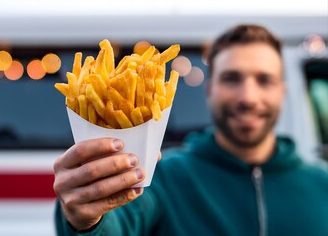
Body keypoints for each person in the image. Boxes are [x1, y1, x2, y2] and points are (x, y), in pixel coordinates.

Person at [53, 24, 328, 236]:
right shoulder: (162, 178)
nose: (248, 97)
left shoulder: (322, 184)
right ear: (209, 90)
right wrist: (84, 219)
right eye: (231, 79)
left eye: (264, 80)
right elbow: (117, 224)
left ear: (282, 92)